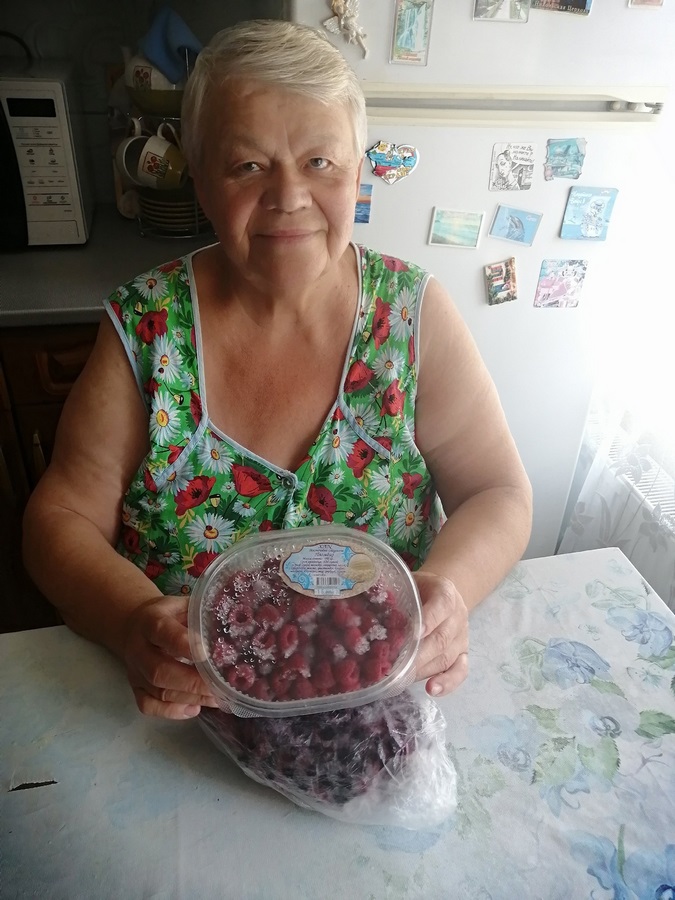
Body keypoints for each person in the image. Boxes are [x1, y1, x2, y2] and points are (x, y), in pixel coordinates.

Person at [22, 20, 532, 720]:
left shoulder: (413, 316)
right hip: (188, 712)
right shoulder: (147, 327)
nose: (288, 195)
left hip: (375, 706)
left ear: (358, 172)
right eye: (247, 166)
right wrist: (130, 619)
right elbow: (59, 519)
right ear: (201, 180)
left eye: (320, 161)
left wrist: (448, 590)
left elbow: (497, 492)